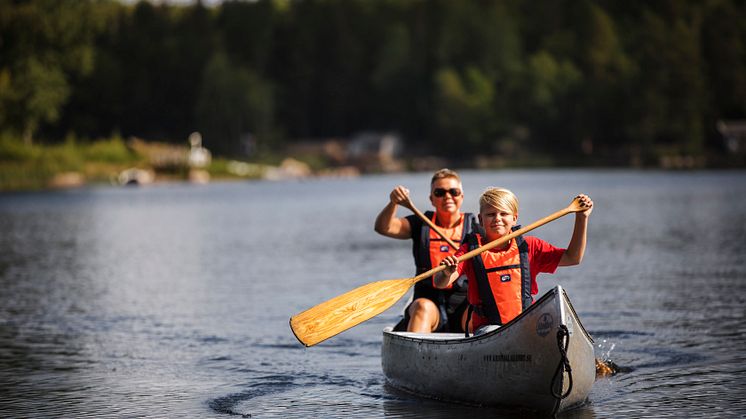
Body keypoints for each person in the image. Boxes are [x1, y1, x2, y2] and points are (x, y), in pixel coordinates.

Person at [434, 187, 593, 332]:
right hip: (488, 329)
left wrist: (581, 218)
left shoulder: (530, 246)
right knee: (490, 331)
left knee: (560, 330)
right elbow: (440, 282)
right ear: (481, 220)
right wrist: (447, 272)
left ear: (514, 218)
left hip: (527, 323)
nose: (497, 219)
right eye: (491, 214)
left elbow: (573, 257)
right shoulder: (469, 250)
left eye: (504, 214)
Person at [374, 169, 478, 333]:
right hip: (429, 300)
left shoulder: (476, 229)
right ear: (432, 199)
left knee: (478, 313)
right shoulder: (420, 223)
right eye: (440, 192)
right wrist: (393, 202)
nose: (447, 197)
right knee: (422, 307)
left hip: (464, 301)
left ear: (462, 196)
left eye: (454, 192)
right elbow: (383, 227)